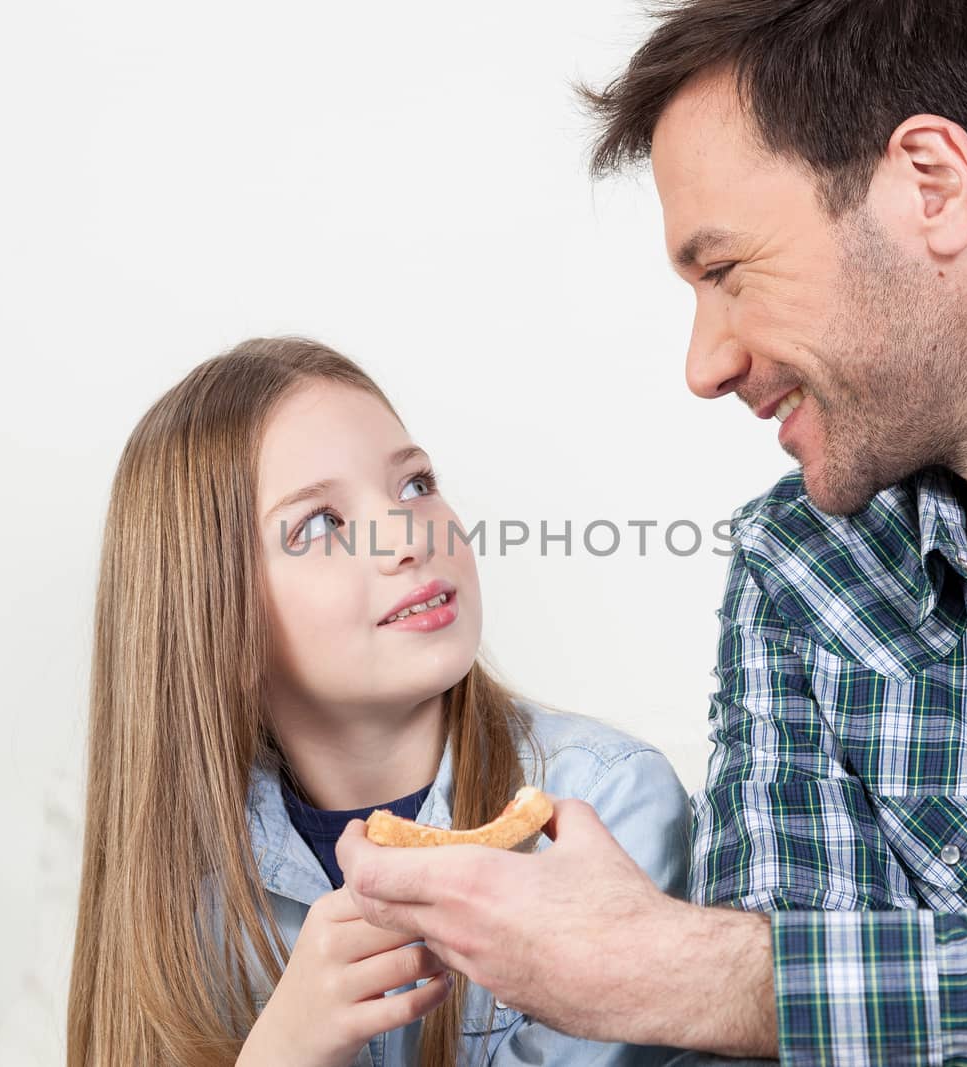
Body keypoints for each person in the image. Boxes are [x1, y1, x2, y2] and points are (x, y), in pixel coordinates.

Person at [334, 1, 967, 1063]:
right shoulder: (800, 572)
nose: (702, 364)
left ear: (931, 184)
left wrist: (703, 972)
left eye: (725, 271)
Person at [65, 336, 691, 1067]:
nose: (405, 536)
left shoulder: (605, 807)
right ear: (214, 615)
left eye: (415, 485)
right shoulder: (186, 884)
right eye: (320, 523)